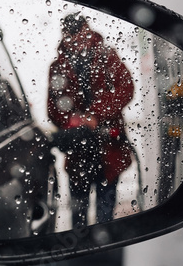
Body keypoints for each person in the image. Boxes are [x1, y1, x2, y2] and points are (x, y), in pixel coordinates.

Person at [47, 12, 136, 227]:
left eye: (81, 33)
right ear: (65, 35)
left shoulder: (106, 56)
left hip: (109, 151)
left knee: (105, 215)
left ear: (88, 31)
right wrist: (73, 122)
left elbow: (126, 88)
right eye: (72, 35)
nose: (78, 40)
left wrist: (95, 115)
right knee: (79, 219)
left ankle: (104, 249)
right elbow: (53, 109)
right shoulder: (59, 67)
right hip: (79, 154)